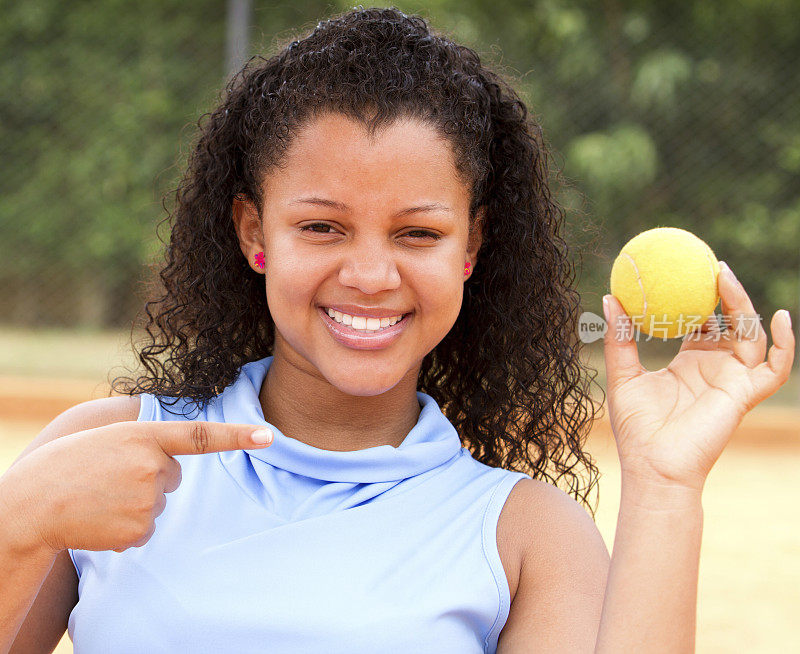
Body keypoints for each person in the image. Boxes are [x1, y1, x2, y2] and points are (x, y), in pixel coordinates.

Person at [0, 6, 794, 654]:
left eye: (418, 234)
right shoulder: (103, 456)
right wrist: (21, 520)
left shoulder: (527, 536)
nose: (372, 276)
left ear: (472, 248)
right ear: (254, 232)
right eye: (322, 227)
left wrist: (665, 487)